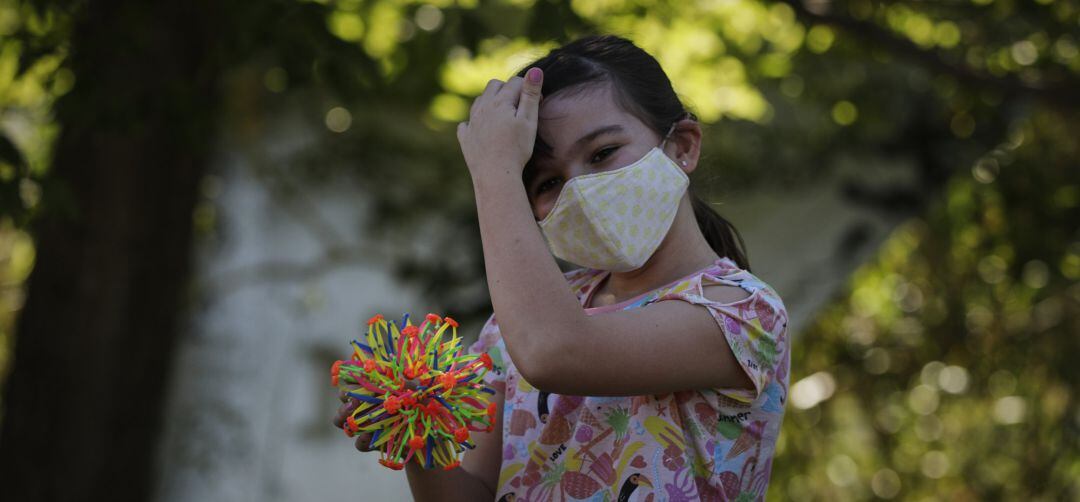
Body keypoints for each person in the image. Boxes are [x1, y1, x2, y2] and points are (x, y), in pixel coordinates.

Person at [335, 34, 789, 502]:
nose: (581, 191)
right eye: (549, 181)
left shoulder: (742, 314)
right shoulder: (516, 328)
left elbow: (557, 352)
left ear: (683, 147)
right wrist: (416, 427)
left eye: (603, 153)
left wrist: (493, 170)